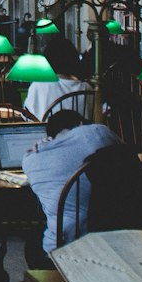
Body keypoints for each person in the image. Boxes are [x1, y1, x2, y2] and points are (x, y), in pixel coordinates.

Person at [21, 109, 119, 260]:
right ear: (80, 124)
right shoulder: (99, 133)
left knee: (34, 237)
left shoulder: (30, 160)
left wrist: (44, 147)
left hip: (63, 248)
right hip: (116, 238)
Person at [23, 32, 92, 121]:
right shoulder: (87, 88)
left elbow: (28, 117)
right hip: (80, 134)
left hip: (47, 133)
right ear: (74, 59)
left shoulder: (38, 85)